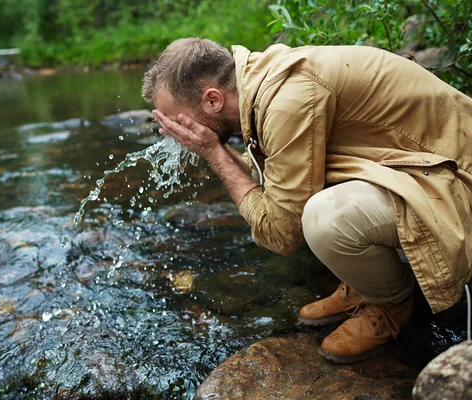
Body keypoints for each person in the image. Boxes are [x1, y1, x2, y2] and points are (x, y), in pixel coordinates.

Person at [142, 38, 472, 363]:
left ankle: (391, 303)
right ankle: (364, 282)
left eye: (180, 120)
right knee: (312, 200)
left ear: (213, 99)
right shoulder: (264, 84)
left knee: (323, 218)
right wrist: (215, 148)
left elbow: (283, 232)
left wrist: (214, 152)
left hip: (456, 181)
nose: (177, 132)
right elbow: (273, 184)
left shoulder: (287, 100)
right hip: (420, 169)